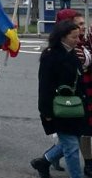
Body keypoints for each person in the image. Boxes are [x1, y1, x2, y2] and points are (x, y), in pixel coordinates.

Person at [31, 20, 86, 178]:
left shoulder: (72, 53)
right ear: (62, 37)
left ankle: (44, 161)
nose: (77, 40)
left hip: (75, 107)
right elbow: (45, 86)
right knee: (72, 147)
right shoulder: (51, 56)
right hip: (59, 108)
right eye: (74, 37)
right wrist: (46, 111)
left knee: (70, 142)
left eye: (78, 37)